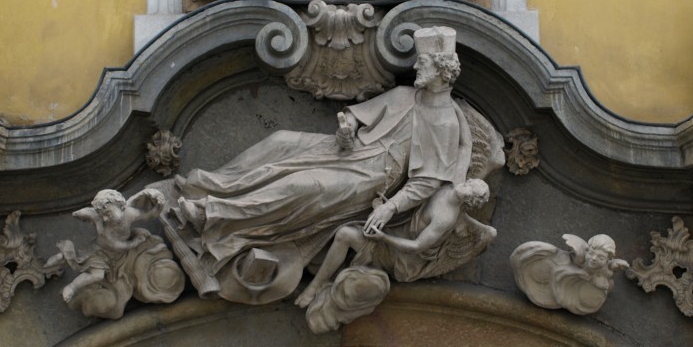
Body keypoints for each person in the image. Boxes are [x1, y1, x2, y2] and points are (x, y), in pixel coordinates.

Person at [170, 26, 475, 303]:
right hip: (347, 149)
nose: (416, 67)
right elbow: (358, 117)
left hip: (370, 177)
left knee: (301, 186)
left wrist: (388, 208)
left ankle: (211, 213)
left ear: (441, 69)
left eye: (423, 63)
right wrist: (347, 128)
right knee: (281, 141)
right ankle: (207, 187)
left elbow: (427, 182)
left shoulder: (445, 122)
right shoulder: (405, 94)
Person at [295, 178, 494, 309]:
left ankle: (314, 287)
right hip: (394, 227)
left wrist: (383, 238)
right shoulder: (447, 184)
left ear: (470, 201)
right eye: (468, 183)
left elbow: (416, 246)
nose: (464, 187)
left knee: (345, 234)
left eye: (469, 192)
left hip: (399, 254)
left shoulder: (446, 218)